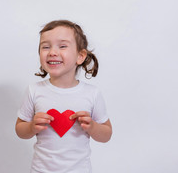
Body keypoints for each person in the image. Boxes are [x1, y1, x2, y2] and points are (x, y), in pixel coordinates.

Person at [15, 20, 112, 173]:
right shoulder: (34, 90)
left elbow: (106, 134)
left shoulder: (92, 93)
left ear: (80, 56)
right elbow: (20, 130)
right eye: (45, 47)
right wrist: (31, 126)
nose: (52, 52)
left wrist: (92, 127)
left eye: (62, 46)